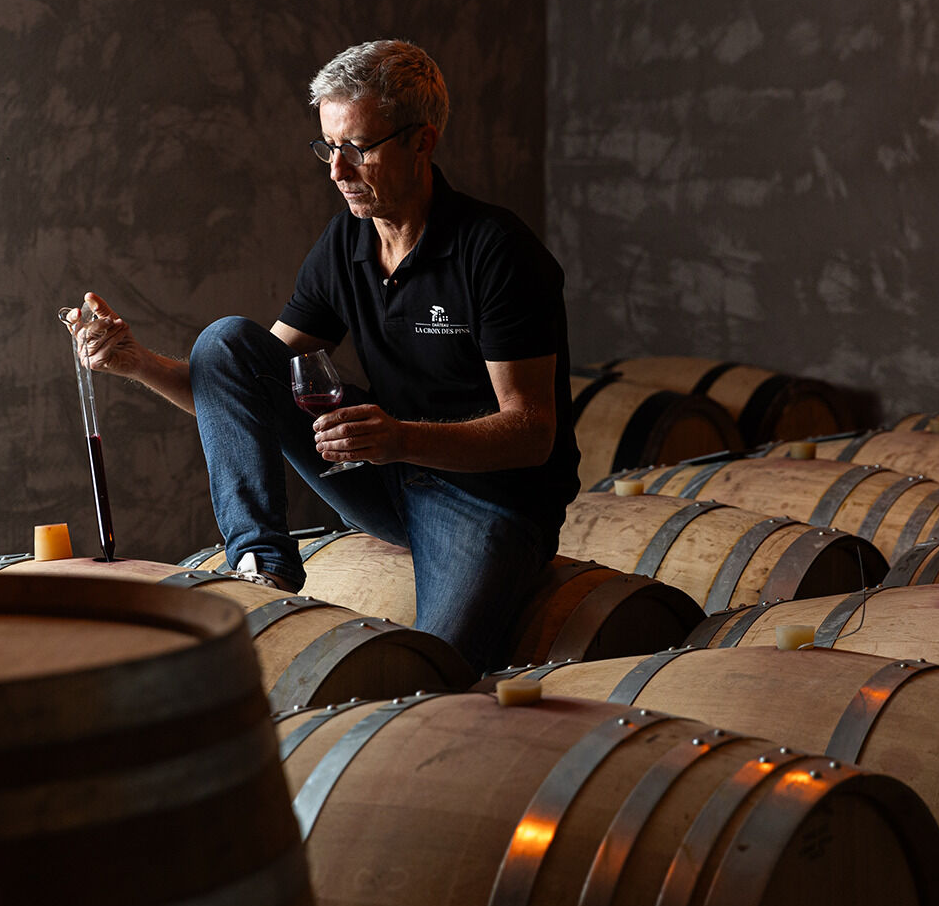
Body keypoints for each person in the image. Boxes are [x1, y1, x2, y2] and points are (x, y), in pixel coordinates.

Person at [64, 39, 580, 672]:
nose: (337, 170)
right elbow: (240, 389)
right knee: (225, 340)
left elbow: (532, 434)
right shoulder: (347, 242)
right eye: (327, 147)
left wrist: (398, 438)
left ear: (424, 141)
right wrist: (136, 361)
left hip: (490, 501)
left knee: (431, 672)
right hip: (389, 478)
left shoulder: (497, 251)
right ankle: (260, 563)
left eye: (357, 148)